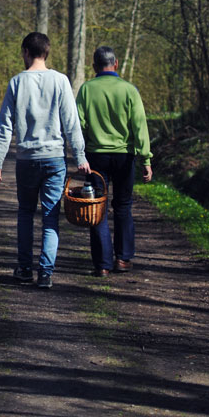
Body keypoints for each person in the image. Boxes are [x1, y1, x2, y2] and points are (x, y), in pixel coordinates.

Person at [0, 32, 90, 289]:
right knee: (50, 217)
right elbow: (71, 123)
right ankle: (45, 273)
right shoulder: (60, 81)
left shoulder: (16, 82)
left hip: (26, 159)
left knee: (25, 213)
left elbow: (5, 125)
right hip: (54, 159)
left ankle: (25, 269)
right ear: (46, 52)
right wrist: (80, 156)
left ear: (26, 51)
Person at [75, 46, 153, 277]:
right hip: (124, 156)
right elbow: (140, 126)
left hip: (95, 157)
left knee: (97, 207)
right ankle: (123, 259)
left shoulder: (87, 89)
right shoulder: (129, 90)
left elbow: (79, 124)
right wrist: (146, 159)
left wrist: (80, 153)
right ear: (116, 64)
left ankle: (102, 264)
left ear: (93, 66)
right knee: (123, 206)